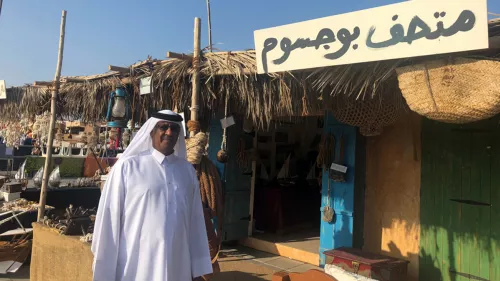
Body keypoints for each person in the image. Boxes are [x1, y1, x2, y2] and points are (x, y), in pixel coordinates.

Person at [91, 110, 212, 281]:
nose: (169, 132)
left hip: (177, 267)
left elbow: (196, 222)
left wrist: (197, 270)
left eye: (174, 129)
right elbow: (109, 221)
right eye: (163, 127)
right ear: (152, 131)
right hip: (136, 267)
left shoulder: (187, 172)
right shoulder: (128, 167)